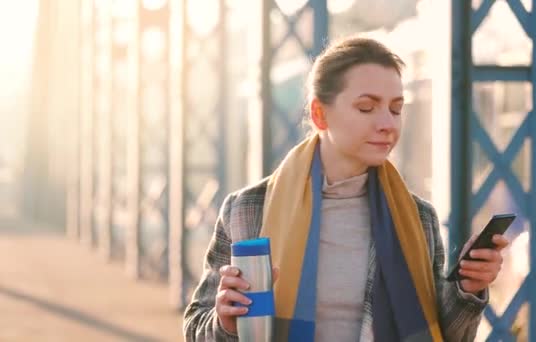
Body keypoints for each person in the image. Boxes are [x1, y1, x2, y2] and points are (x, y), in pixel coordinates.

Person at [183, 36, 509, 342]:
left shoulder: (417, 217)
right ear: (319, 114)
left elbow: (444, 334)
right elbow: (197, 325)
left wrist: (468, 287)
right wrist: (224, 321)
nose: (387, 123)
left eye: (396, 108)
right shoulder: (248, 209)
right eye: (367, 107)